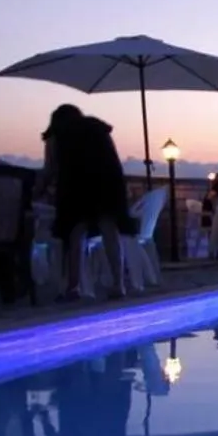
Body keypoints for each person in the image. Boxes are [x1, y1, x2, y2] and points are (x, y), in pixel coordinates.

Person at [43, 104, 132, 300]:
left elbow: (50, 168)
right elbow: (112, 159)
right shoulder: (98, 129)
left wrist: (38, 191)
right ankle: (118, 284)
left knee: (76, 234)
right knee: (110, 230)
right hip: (107, 183)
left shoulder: (57, 134)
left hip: (76, 185)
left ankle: (73, 286)